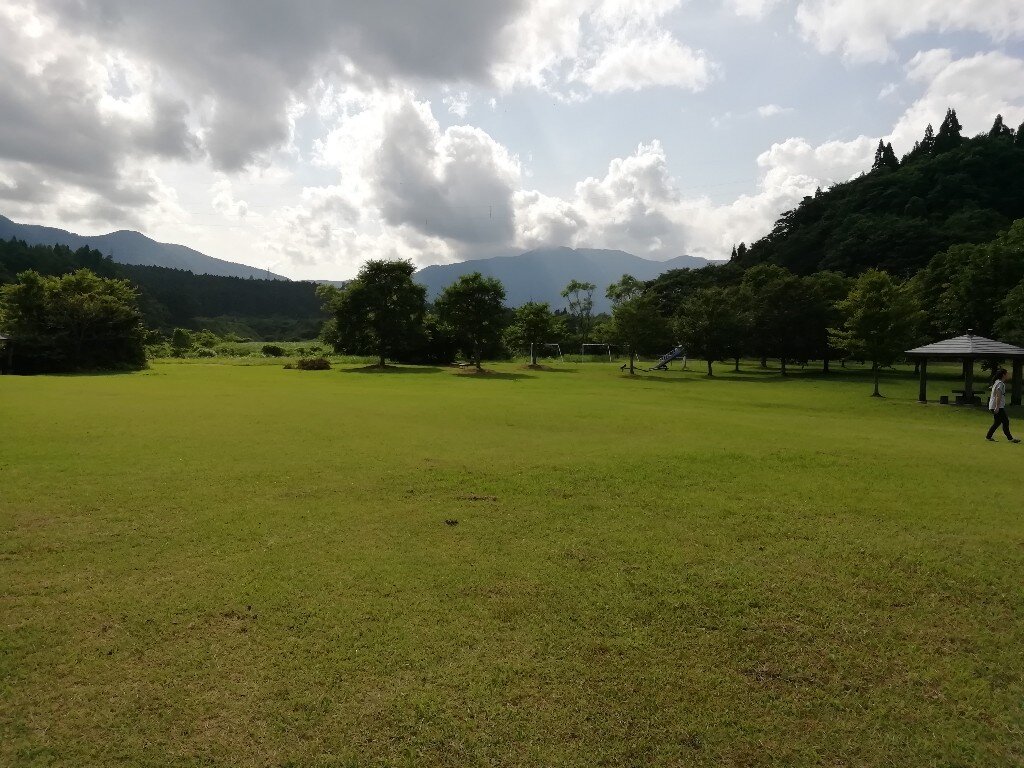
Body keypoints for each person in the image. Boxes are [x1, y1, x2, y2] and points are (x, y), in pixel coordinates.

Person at [986, 368, 1020, 443]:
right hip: (997, 406)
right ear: (1003, 375)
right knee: (1005, 421)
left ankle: (988, 437)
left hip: (993, 406)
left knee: (997, 422)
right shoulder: (1000, 384)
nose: (1008, 375)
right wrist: (997, 407)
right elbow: (998, 395)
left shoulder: (997, 382)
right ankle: (1010, 439)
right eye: (1007, 373)